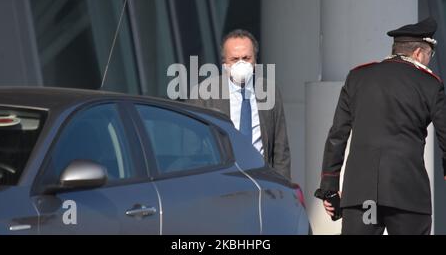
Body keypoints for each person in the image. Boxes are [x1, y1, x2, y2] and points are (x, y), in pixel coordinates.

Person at [315, 17, 446, 235]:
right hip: (407, 195)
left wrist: (329, 188)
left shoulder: (358, 77)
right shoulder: (429, 83)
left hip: (361, 195)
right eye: (429, 56)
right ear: (419, 53)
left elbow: (337, 135)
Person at [188, 29, 291, 180]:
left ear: (255, 61)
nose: (241, 63)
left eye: (246, 58)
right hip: (223, 182)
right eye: (235, 59)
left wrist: (282, 188)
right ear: (224, 64)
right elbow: (193, 149)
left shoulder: (270, 92)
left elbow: (281, 150)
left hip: (261, 181)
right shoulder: (204, 94)